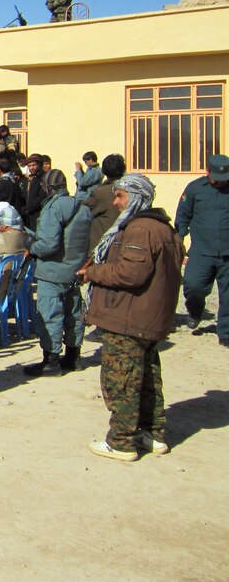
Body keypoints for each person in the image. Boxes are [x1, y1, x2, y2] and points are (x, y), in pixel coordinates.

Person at [78, 174, 183, 461]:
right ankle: (152, 433)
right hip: (148, 317)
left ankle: (122, 440)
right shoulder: (163, 228)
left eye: (120, 196)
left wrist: (94, 272)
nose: (115, 202)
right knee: (147, 378)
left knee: (121, 380)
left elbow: (131, 273)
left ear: (136, 196)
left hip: (129, 316)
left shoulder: (140, 229)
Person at [24, 169, 92, 377]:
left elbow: (49, 244)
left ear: (47, 187)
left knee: (50, 314)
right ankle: (74, 356)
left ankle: (51, 361)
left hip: (52, 270)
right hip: (74, 269)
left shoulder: (53, 208)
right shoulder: (82, 206)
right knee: (73, 314)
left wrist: (32, 248)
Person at [175, 154, 229, 344]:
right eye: (217, 179)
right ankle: (195, 311)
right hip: (201, 251)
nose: (221, 183)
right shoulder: (195, 189)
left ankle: (225, 334)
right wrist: (179, 238)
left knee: (228, 295)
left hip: (227, 253)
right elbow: (183, 215)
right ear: (208, 172)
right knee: (193, 286)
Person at [84, 153, 125, 258]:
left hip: (103, 249)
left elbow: (84, 212)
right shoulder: (133, 189)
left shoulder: (101, 192)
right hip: (125, 246)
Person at [23, 154, 47, 230]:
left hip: (38, 213)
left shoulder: (43, 178)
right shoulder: (29, 178)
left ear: (39, 165)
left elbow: (42, 197)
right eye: (29, 166)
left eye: (34, 165)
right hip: (28, 215)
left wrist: (28, 208)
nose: (31, 168)